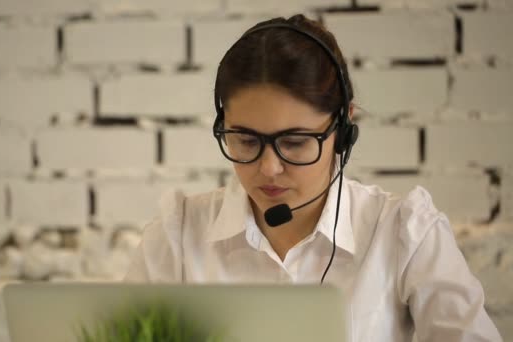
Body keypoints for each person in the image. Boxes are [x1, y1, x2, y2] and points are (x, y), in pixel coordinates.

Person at [124, 14, 502, 341]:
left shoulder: (406, 233)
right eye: (245, 140)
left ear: (343, 129)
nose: (269, 168)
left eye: (295, 142)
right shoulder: (178, 234)